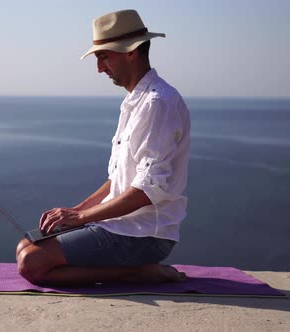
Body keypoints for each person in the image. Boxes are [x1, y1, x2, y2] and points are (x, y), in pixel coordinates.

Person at [16, 9, 191, 286]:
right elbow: (118, 180)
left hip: (145, 234)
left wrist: (81, 217)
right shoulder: (136, 101)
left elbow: (149, 189)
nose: (99, 68)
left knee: (32, 262)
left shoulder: (157, 103)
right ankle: (135, 271)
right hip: (121, 225)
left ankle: (139, 273)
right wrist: (75, 212)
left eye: (103, 56)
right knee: (25, 246)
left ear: (131, 51)